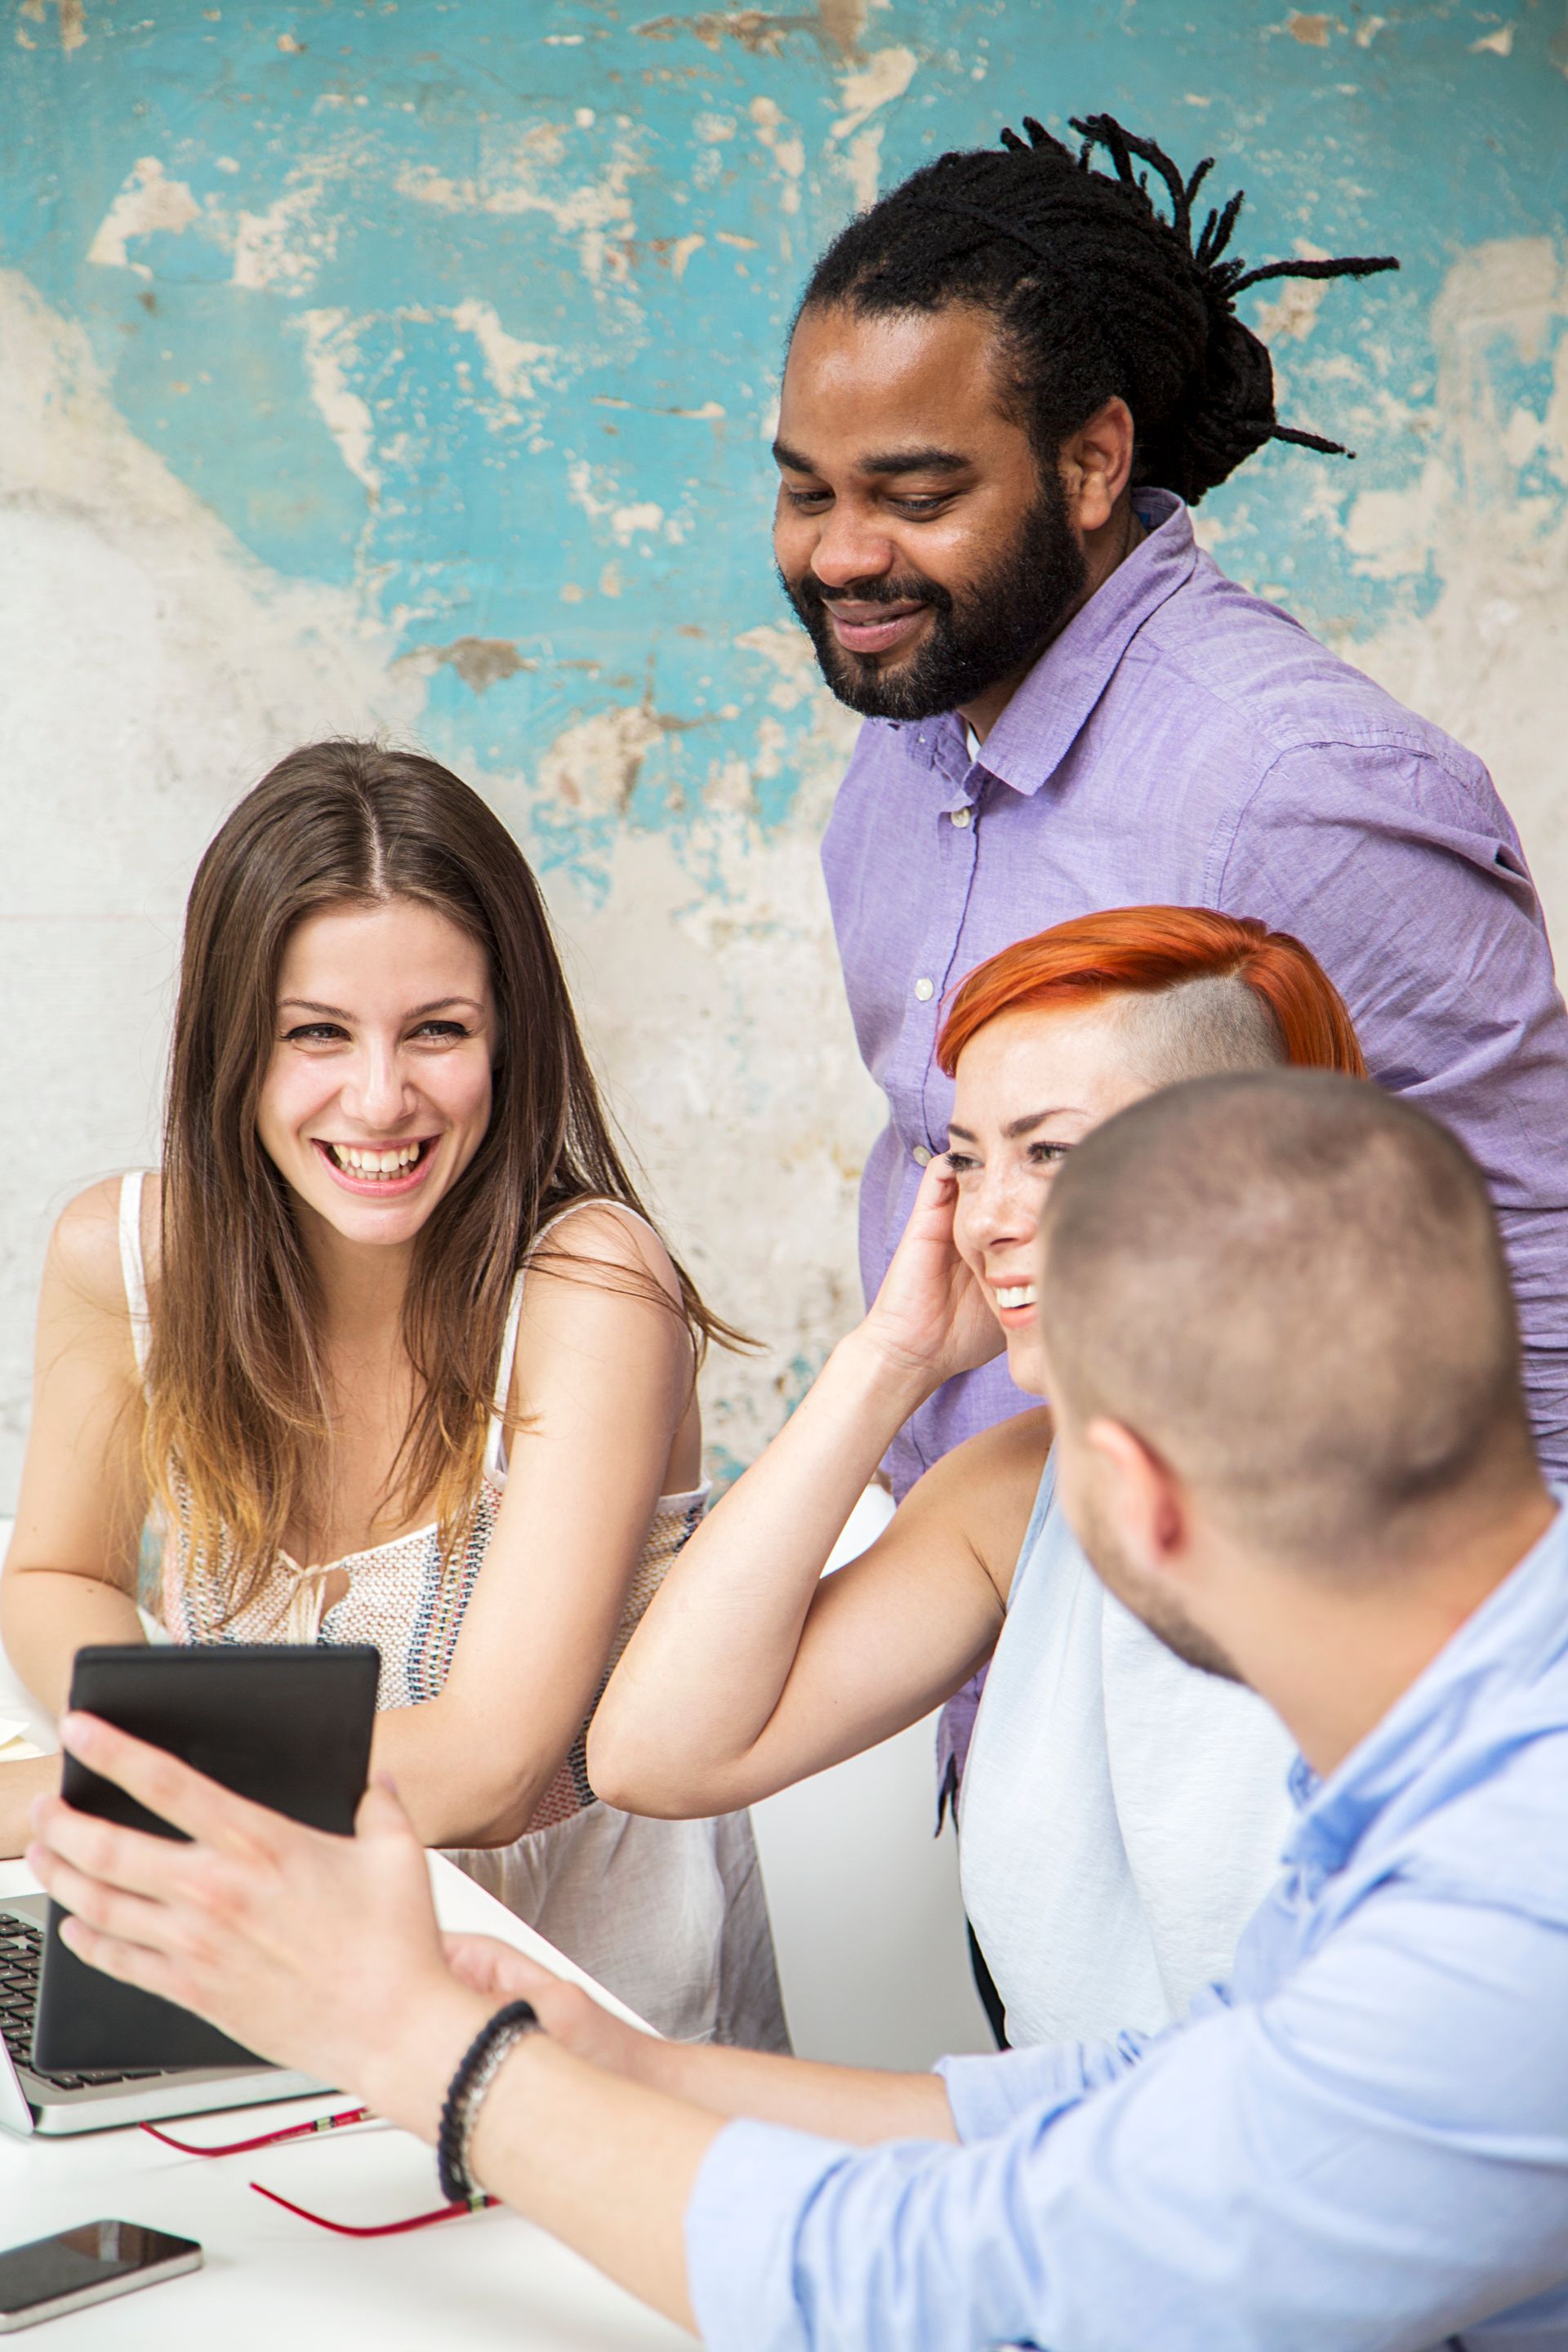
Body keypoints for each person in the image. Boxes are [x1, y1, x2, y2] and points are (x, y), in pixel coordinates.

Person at [30, 1070, 1568, 2350]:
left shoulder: (1517, 1901)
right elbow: (1147, 2105)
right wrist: (611, 2061)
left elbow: (967, 2279)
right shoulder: (1467, 1744)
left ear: (1134, 1498)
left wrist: (410, 2039)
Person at [775, 108, 1568, 1840]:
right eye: (808, 488)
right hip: (1018, 1706)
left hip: (1298, 1787)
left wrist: (1470, 1820)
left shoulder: (1296, 789)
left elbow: (1544, 1293)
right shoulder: (902, 748)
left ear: (1088, 459)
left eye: (915, 495)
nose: (843, 554)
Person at [0, 741, 786, 2051]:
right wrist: (148, 1774)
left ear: (509, 1037)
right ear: (231, 1045)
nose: (380, 1099)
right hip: (254, 1960)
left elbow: (489, 1764)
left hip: (576, 2004)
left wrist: (66, 1797)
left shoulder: (592, 1289)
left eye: (439, 1031)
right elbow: (56, 1573)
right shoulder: (123, 1260)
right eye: (316, 1033)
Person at [588, 908, 1363, 2048]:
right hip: (1067, 2189)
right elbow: (654, 1752)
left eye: (1050, 1151)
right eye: (964, 1159)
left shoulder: (1407, 1528)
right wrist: (886, 1363)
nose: (988, 1218)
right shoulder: (1015, 1496)